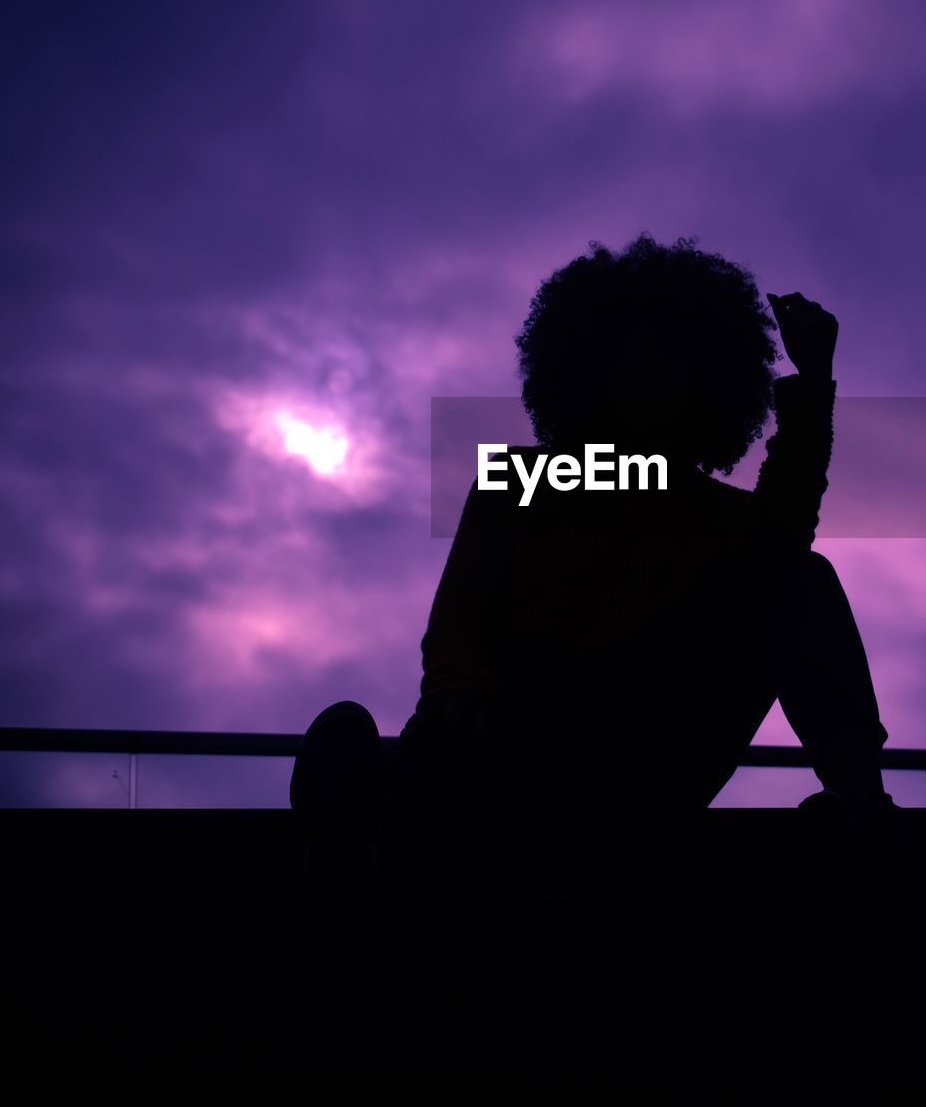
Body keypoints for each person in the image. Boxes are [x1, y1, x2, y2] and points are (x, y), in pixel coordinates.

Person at [290, 233, 895, 886]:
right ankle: (370, 825)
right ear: (591, 366)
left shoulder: (726, 517)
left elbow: (782, 551)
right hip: (520, 744)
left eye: (673, 360)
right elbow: (459, 623)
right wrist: (456, 693)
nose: (651, 377)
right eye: (631, 357)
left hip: (659, 745)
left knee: (801, 576)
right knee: (422, 736)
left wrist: (812, 387)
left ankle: (861, 806)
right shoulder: (517, 480)